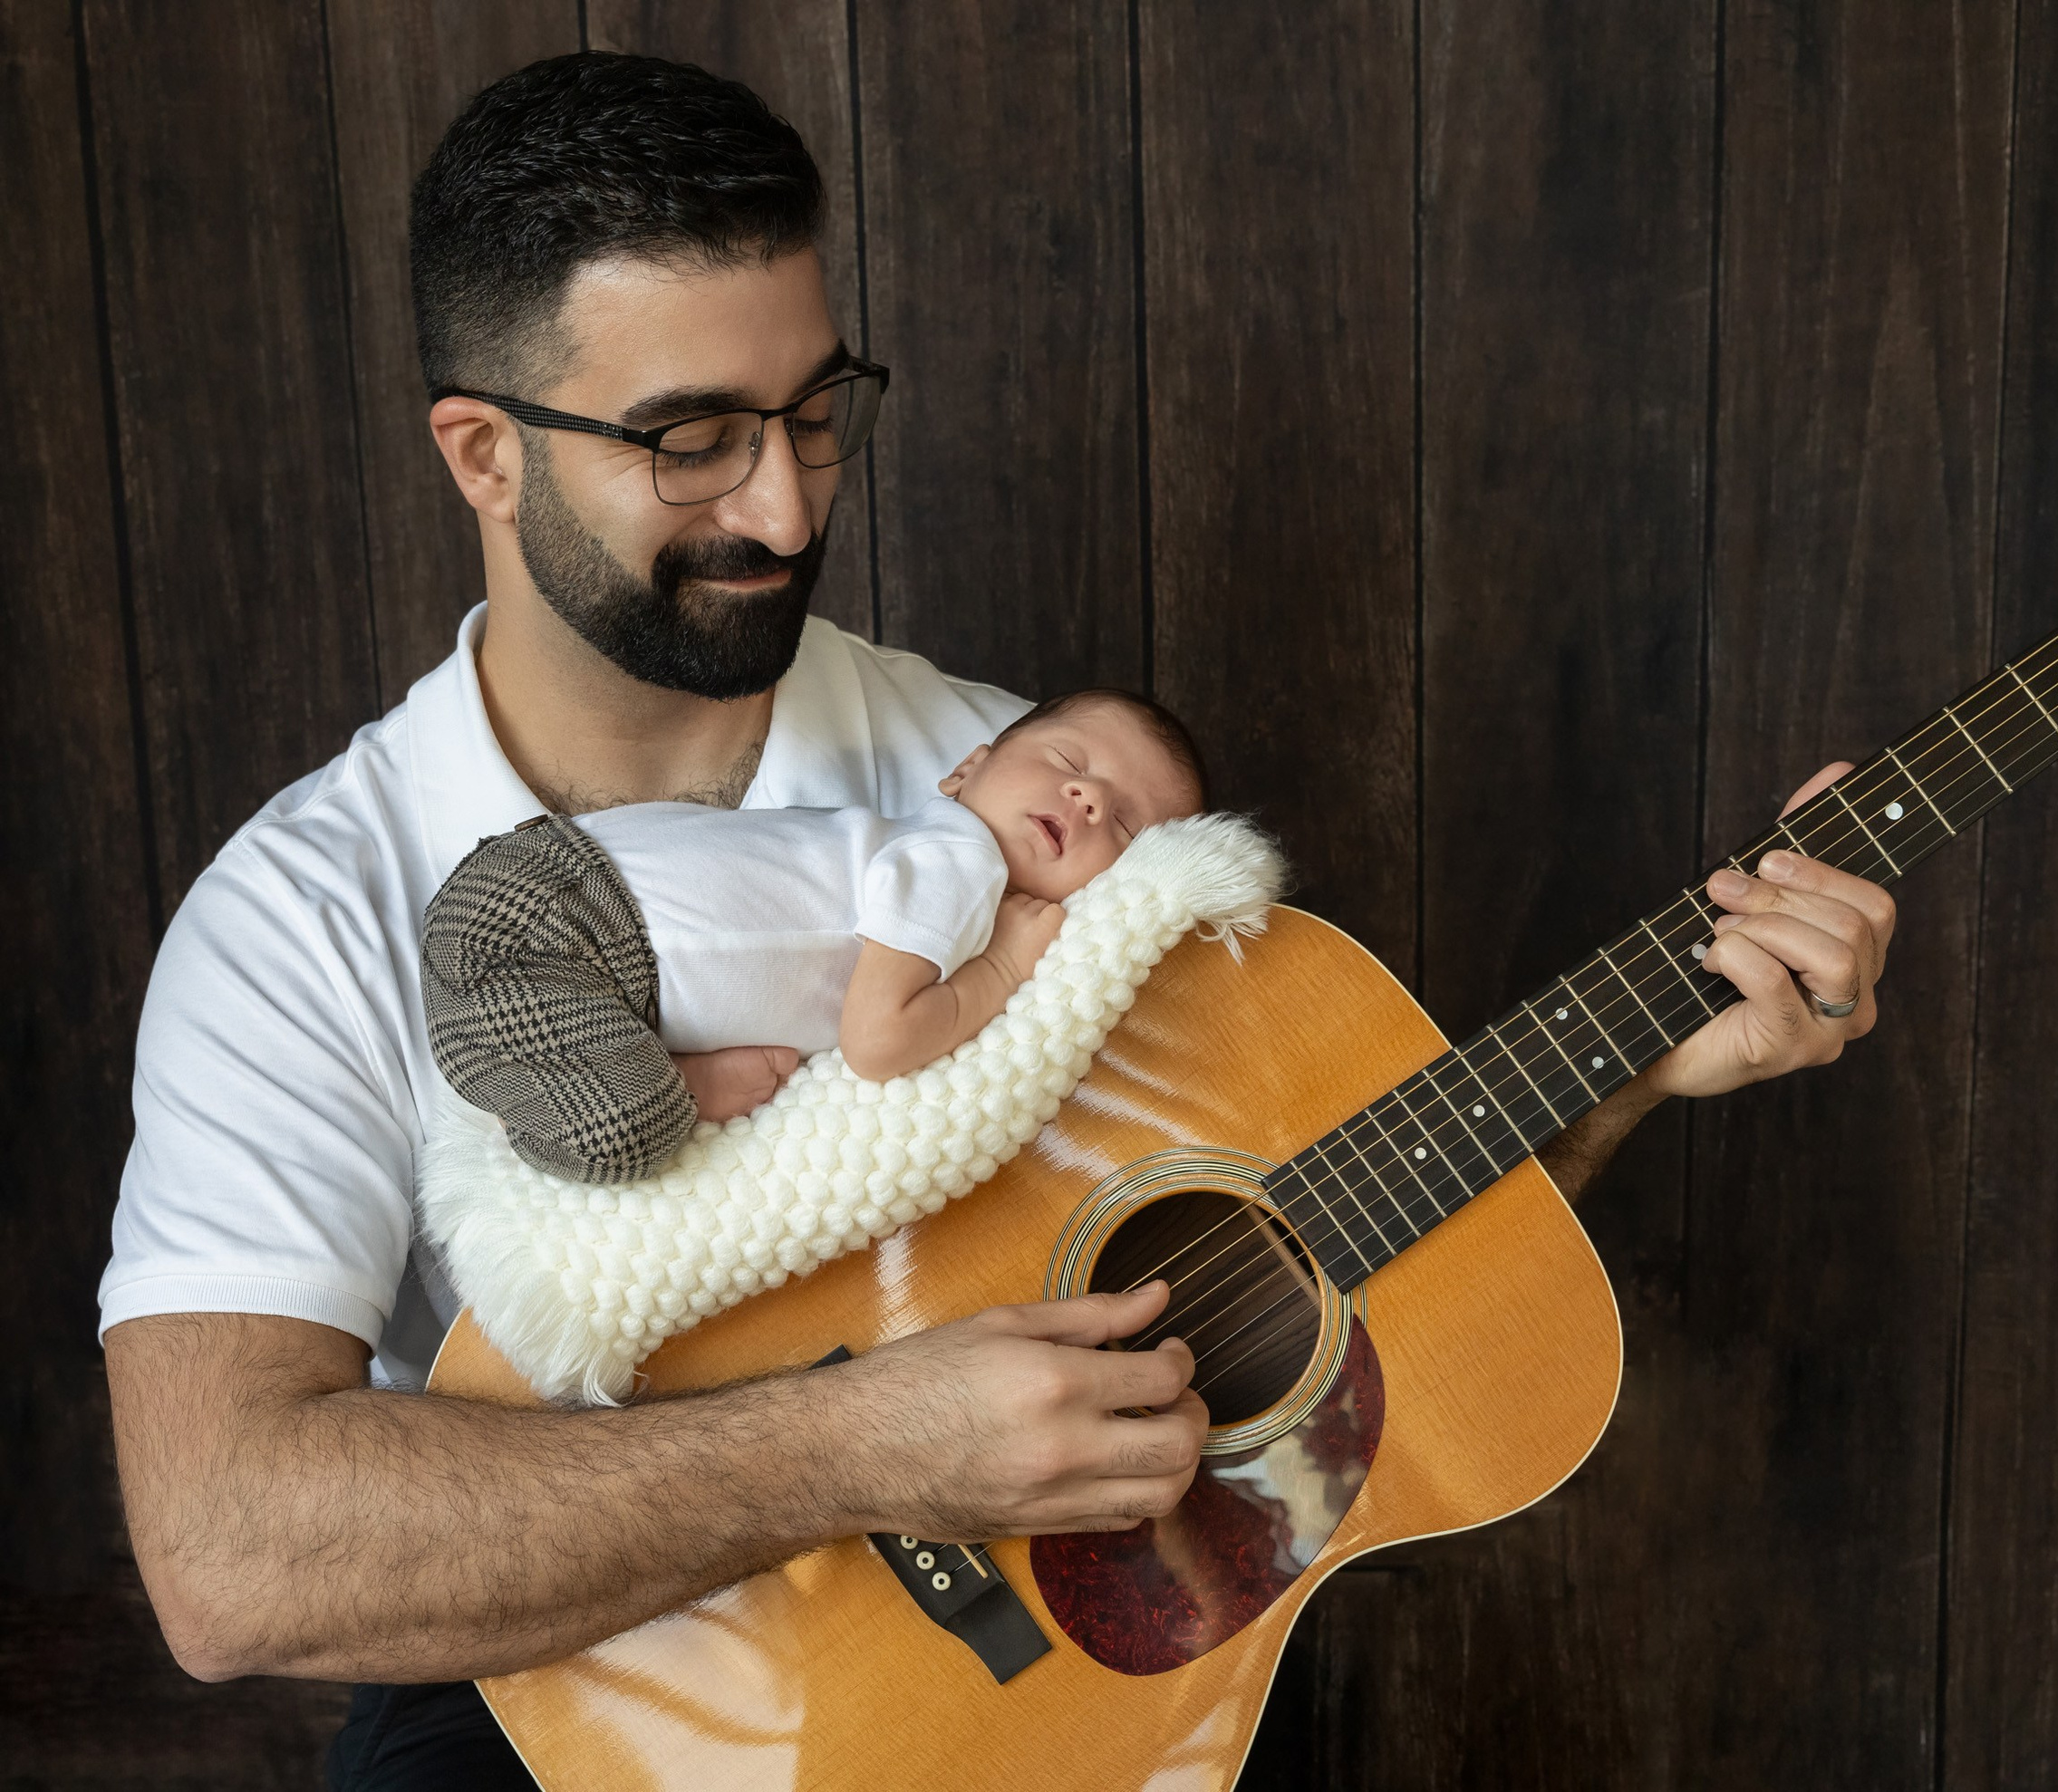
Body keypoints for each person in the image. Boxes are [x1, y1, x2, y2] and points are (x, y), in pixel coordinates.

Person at [94, 51, 1899, 1789]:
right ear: (484, 453)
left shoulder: (1039, 806)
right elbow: (231, 1558)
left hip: (1024, 1695)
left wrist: (1624, 1075)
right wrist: (856, 1449)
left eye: (817, 413)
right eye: (696, 441)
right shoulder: (302, 917)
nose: (787, 504)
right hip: (547, 1713)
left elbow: (1299, 1248)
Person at [424, 688, 1208, 1186]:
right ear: (967, 771)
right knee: (627, 1131)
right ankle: (657, 1090)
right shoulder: (962, 860)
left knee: (531, 1073)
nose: (1087, 797)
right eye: (1068, 760)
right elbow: (878, 1041)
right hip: (566, 929)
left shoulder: (891, 851)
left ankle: (533, 1086)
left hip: (549, 887)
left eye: (1125, 825)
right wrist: (1003, 967)